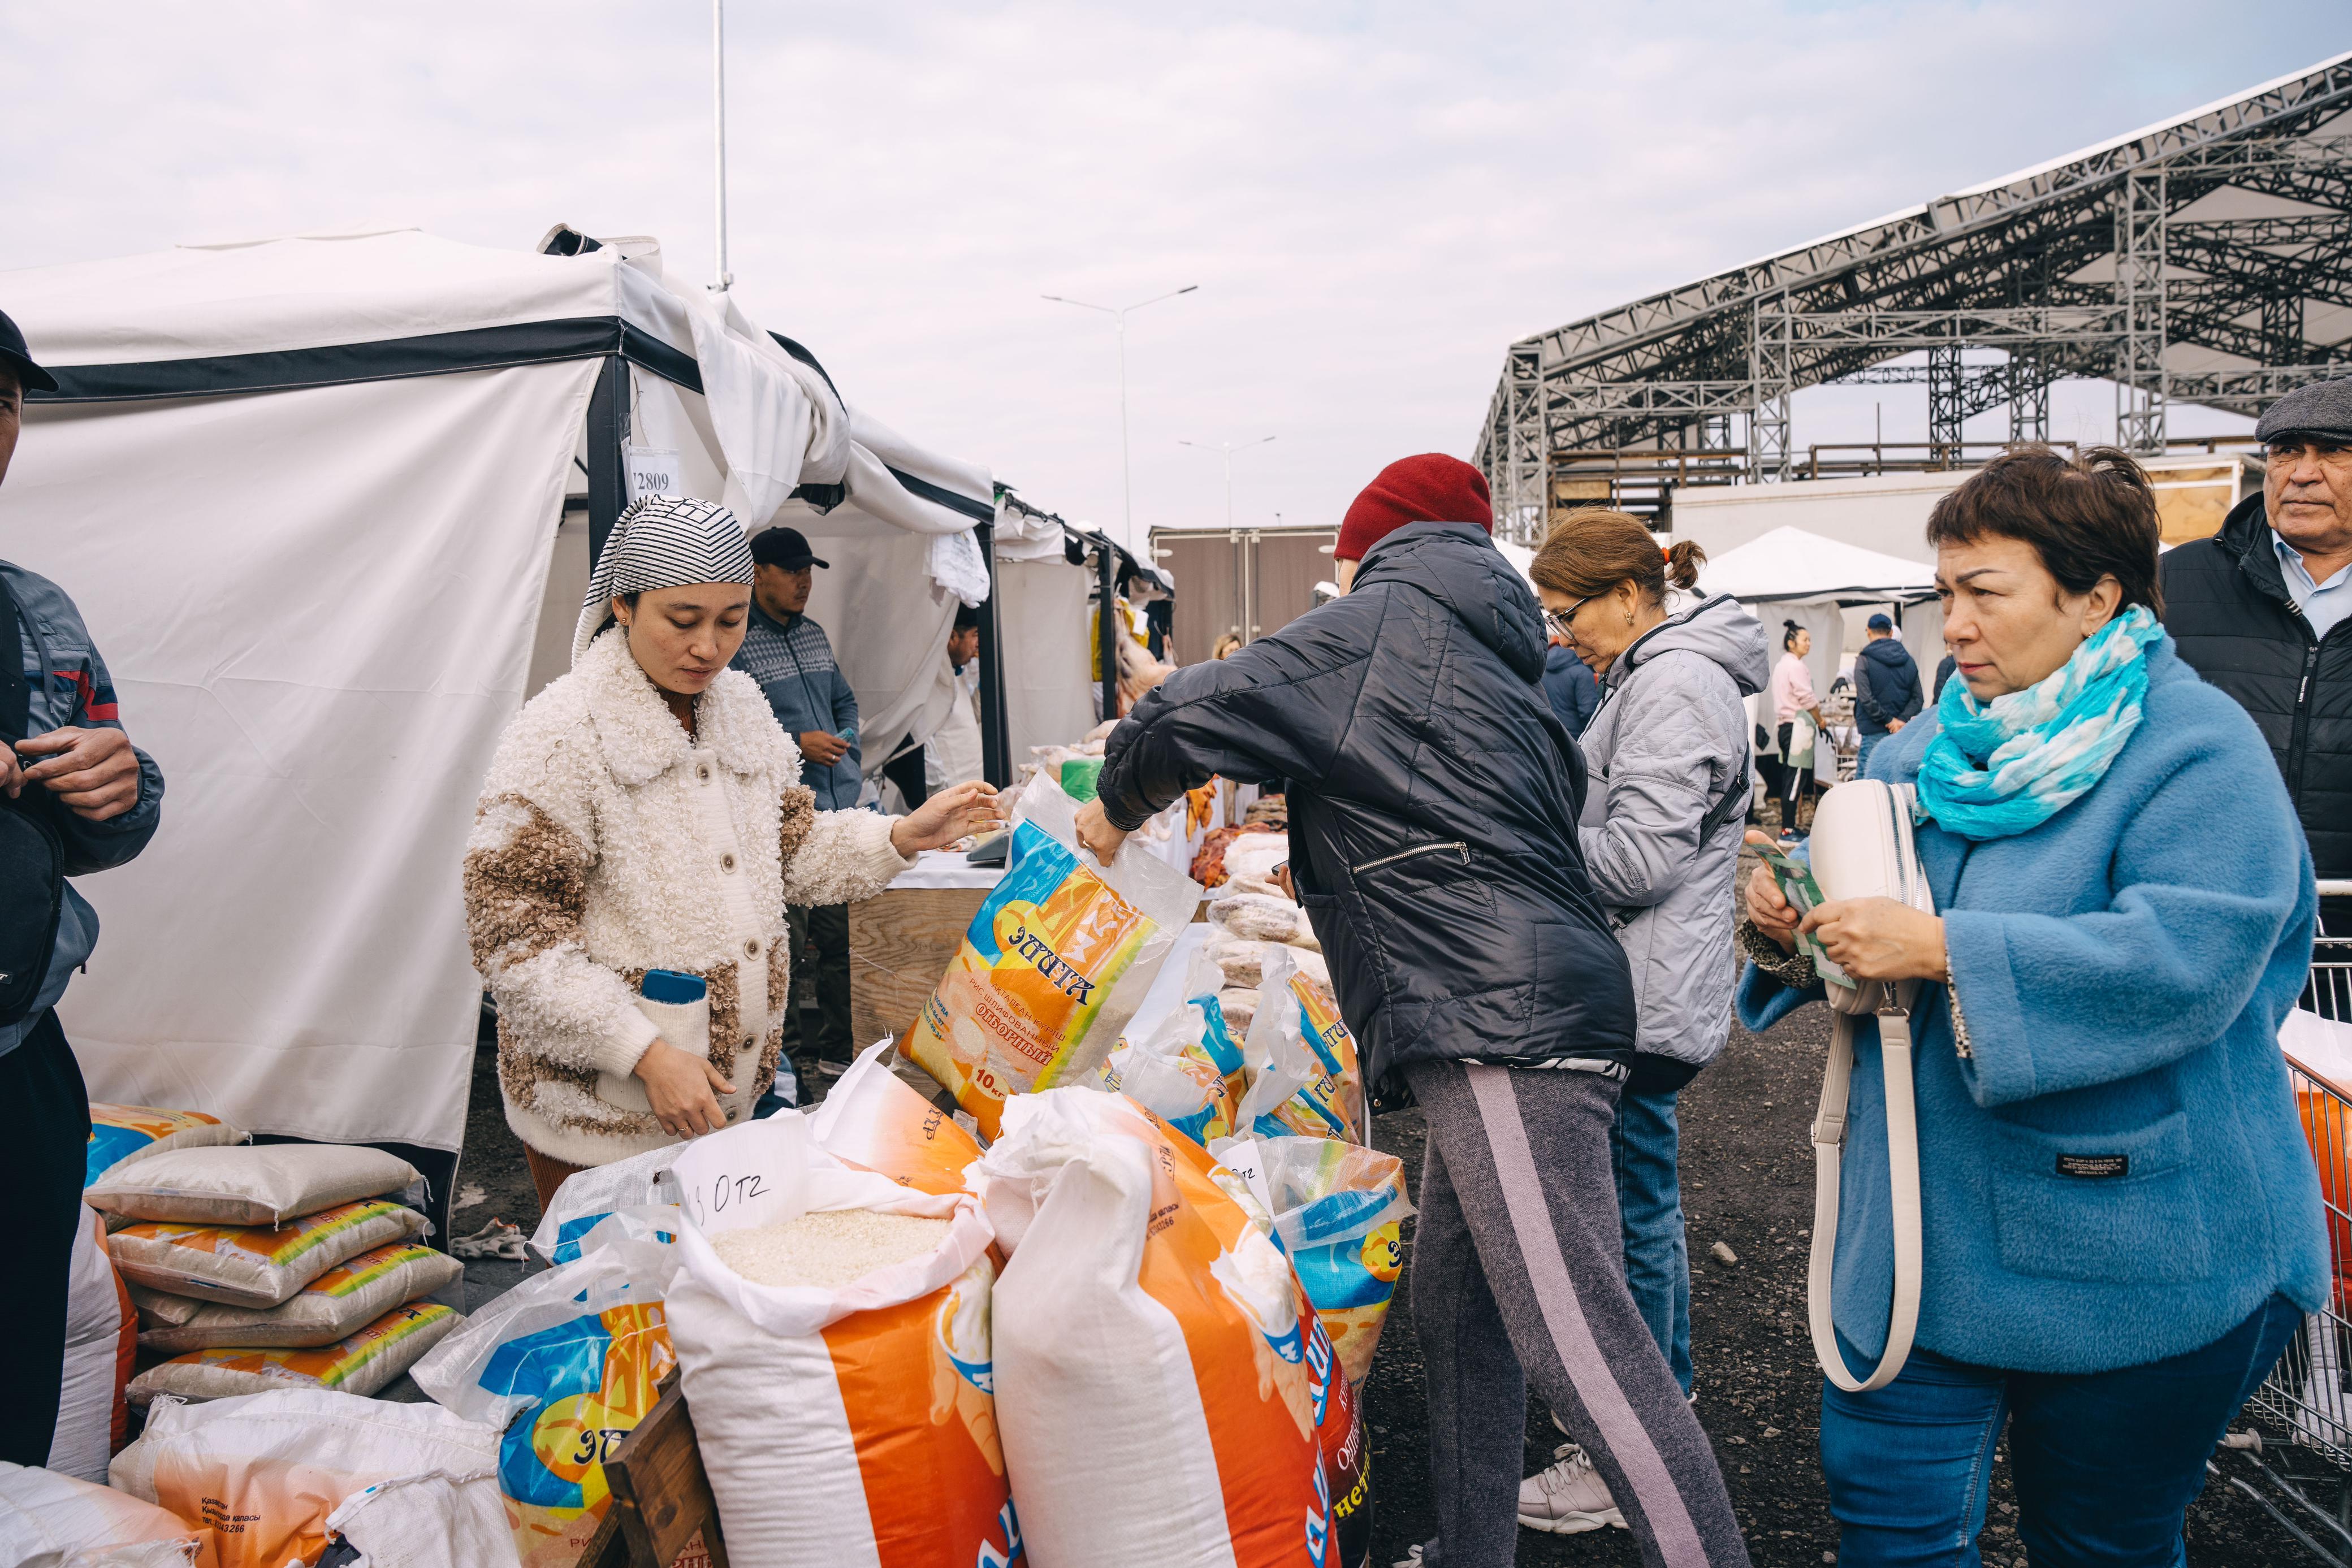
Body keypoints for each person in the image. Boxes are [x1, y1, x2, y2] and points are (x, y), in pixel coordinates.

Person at [1075, 453, 1750, 1568]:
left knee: (1577, 1339)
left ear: (1369, 546)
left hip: (1500, 1021)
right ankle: (1474, 1549)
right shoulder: (1489, 657)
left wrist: (1110, 808)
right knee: (1462, 1310)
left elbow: (1194, 714)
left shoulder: (1376, 623)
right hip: (1522, 1000)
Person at [1739, 447, 2324, 1566]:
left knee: (2100, 1540)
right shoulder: (1929, 745)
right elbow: (1878, 937)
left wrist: (1945, 947)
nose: (1949, 624)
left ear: (2094, 595)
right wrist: (1795, 930)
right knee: (1888, 1527)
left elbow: (2188, 957)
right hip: (1916, 1235)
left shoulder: (2196, 751)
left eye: (1983, 592)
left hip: (2142, 1255)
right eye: (1943, 591)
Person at [464, 495, 997, 1206]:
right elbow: (514, 944)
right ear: (622, 605)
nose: (708, 647)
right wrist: (643, 1052)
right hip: (599, 1119)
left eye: (730, 620)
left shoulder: (739, 707)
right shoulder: (560, 736)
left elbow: (791, 847)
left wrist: (900, 835)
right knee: (620, 1309)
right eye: (682, 621)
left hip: (723, 1103)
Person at [1519, 514, 1766, 1535]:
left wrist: (1517, 839)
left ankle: (1633, 1450)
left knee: (1627, 1214)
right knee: (1638, 1203)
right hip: (1646, 988)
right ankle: (1658, 1418)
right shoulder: (1656, 672)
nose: (1560, 633)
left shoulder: (1672, 684)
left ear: (1629, 593)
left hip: (1644, 999)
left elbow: (1639, 860)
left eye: (1567, 612)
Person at [0, 311, 167, 1466]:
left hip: (20, 1054)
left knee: (14, 1376)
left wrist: (124, 782)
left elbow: (113, 821)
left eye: (6, 400)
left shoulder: (32, 611)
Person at [2162, 378, 2352, 946]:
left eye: (2332, 451)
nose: (2300, 472)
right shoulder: (2173, 584)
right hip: (2205, 929)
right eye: (2284, 451)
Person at [730, 525, 863, 1077]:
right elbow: (729, 733)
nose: (804, 581)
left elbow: (844, 699)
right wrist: (797, 744)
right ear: (757, 573)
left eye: (808, 570)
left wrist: (847, 737)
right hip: (780, 822)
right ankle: (775, 1066)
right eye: (792, 571)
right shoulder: (735, 644)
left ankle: (837, 1053)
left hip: (838, 813)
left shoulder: (812, 634)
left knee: (842, 941)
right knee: (783, 945)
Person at [1762, 622, 1823, 843]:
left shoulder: (1782, 665)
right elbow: (1807, 699)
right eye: (1805, 639)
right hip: (1796, 727)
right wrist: (1821, 719)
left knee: (1791, 777)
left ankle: (1789, 827)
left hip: (1786, 727)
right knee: (1795, 779)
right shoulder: (1795, 666)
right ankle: (1787, 831)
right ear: (1791, 642)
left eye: (1809, 640)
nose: (1809, 644)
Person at [922, 603, 984, 796]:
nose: (978, 643)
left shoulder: (959, 671)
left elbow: (973, 717)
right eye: (975, 635)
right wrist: (942, 791)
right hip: (950, 792)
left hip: (974, 782)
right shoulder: (931, 680)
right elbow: (925, 745)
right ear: (952, 637)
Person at [1851, 612, 1922, 779]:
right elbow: (1918, 698)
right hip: (1903, 732)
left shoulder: (1864, 660)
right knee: (1896, 781)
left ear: (1868, 631)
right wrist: (1901, 720)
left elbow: (1866, 698)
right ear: (1891, 633)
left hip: (1873, 731)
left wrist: (1888, 720)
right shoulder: (1909, 660)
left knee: (1866, 782)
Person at [1542, 635, 1601, 736]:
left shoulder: (1542, 669)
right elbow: (1587, 711)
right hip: (1574, 737)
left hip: (1547, 733)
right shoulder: (1582, 673)